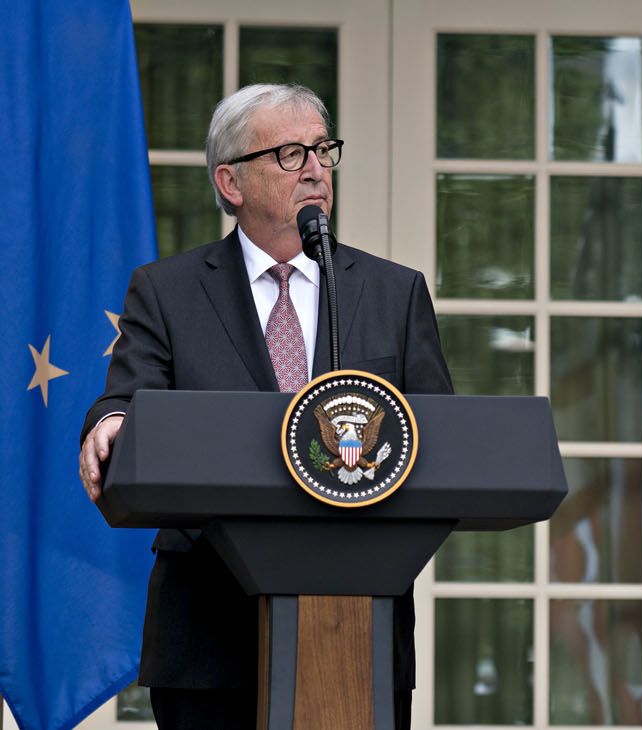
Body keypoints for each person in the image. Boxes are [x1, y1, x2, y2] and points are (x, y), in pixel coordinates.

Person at [78, 83, 452, 729]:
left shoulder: (395, 293)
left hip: (356, 630)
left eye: (322, 150)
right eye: (288, 153)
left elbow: (442, 439)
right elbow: (126, 395)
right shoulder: (167, 291)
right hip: (206, 631)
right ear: (231, 182)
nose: (314, 168)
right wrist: (112, 423)